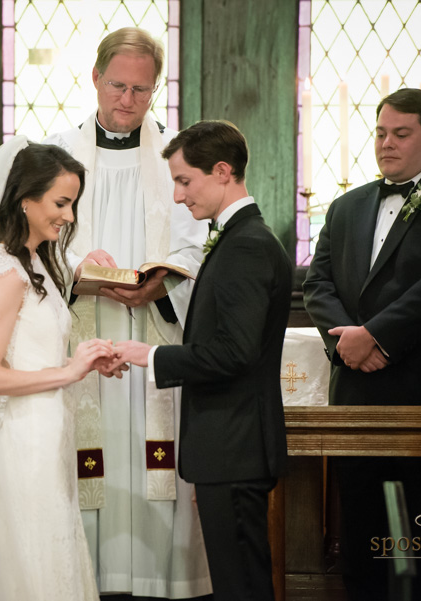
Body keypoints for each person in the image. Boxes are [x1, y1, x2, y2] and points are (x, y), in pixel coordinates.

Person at [302, 88, 421, 599]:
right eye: (381, 132)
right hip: (353, 394)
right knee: (360, 527)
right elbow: (317, 285)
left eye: (401, 134)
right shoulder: (345, 207)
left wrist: (377, 337)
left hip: (419, 389)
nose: (387, 143)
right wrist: (348, 340)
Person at [43, 27, 211, 598]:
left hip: (153, 337)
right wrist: (73, 264)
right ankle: (86, 578)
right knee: (90, 457)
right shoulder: (57, 153)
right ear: (95, 78)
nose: (127, 100)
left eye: (142, 90)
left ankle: (155, 578)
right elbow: (32, 241)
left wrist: (160, 282)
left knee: (149, 460)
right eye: (117, 85)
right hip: (78, 338)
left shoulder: (175, 161)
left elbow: (195, 247)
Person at [112, 120, 291, 601]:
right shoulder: (237, 240)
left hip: (234, 445)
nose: (177, 197)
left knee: (241, 586)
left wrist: (147, 354)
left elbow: (235, 352)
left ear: (222, 171)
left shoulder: (247, 246)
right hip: (227, 447)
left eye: (184, 180)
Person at [0, 137, 120, 600]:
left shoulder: (36, 264)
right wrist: (68, 371)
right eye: (61, 202)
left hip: (45, 431)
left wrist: (83, 363)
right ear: (25, 200)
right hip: (22, 439)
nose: (70, 216)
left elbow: (27, 355)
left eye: (73, 203)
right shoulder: (5, 272)